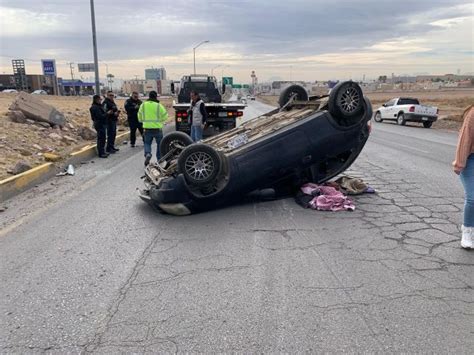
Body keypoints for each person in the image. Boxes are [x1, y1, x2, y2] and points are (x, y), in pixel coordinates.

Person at [453, 105, 474, 249]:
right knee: (473, 198)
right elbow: (465, 137)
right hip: (471, 159)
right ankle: (467, 230)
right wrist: (460, 162)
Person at [138, 90, 168, 166]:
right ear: (156, 97)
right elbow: (165, 116)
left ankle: (148, 154)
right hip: (157, 129)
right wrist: (160, 121)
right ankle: (159, 159)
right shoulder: (159, 106)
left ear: (149, 96)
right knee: (160, 144)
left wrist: (143, 121)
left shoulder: (143, 105)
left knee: (147, 143)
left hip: (147, 129)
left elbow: (139, 116)